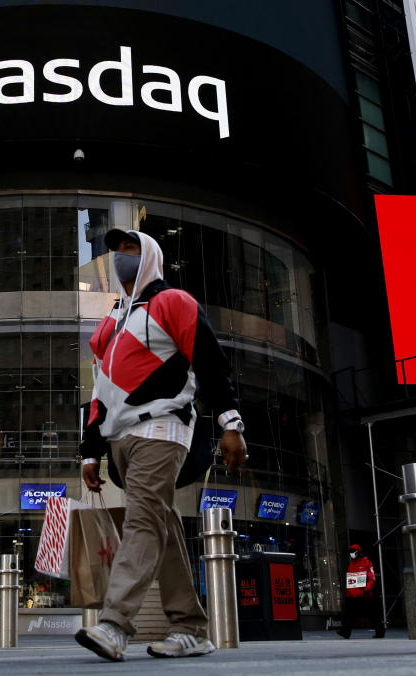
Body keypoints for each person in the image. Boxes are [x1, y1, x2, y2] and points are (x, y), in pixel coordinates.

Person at [75, 229, 247, 661]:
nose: (121, 257)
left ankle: (115, 625)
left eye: (131, 249)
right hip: (121, 439)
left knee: (142, 519)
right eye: (118, 251)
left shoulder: (173, 302)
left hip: (163, 427)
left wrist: (231, 423)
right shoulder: (109, 324)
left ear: (150, 255)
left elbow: (210, 362)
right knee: (161, 526)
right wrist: (90, 451)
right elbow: (99, 393)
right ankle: (190, 628)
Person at [338, 543, 385, 639]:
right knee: (348, 614)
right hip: (352, 595)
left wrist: (367, 589)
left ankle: (380, 632)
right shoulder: (351, 564)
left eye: (352, 551)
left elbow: (372, 578)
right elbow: (350, 580)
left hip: (365, 594)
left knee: (374, 614)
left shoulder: (367, 563)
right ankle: (345, 632)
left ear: (358, 552)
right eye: (350, 552)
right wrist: (348, 593)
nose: (351, 554)